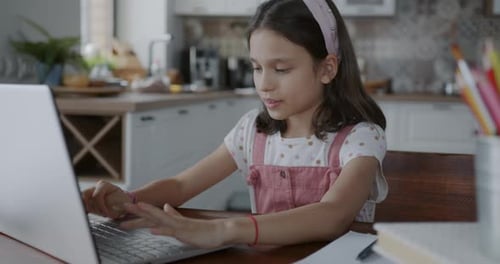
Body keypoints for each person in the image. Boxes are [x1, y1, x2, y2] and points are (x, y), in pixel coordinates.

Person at [82, 0, 388, 249]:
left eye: (281, 69)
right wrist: (129, 201)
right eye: (256, 67)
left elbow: (332, 215)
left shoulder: (359, 138)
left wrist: (224, 230)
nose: (264, 84)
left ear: (327, 68)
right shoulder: (252, 132)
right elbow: (181, 186)